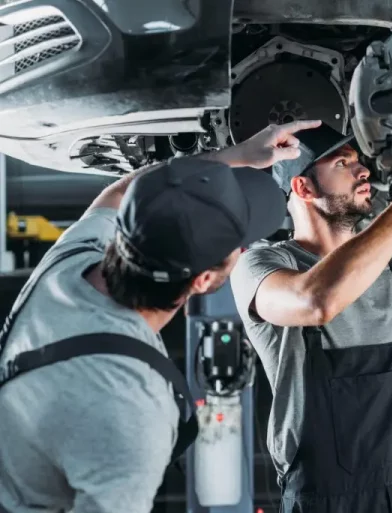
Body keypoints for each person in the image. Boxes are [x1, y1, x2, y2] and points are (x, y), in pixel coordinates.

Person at [0, 120, 321, 513]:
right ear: (204, 280)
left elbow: (121, 191)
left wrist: (233, 157)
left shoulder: (70, 263)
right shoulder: (131, 412)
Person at [230, 123, 392, 513]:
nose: (363, 171)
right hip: (329, 499)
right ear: (303, 189)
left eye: (359, 162)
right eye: (342, 163)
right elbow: (316, 303)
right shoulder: (262, 265)